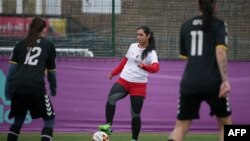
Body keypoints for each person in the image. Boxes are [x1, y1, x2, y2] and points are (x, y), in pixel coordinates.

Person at [168, 0, 232, 141]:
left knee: (181, 127)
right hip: (214, 83)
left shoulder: (185, 26)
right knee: (227, 127)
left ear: (199, 5)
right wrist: (225, 80)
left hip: (190, 82)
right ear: (215, 6)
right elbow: (220, 51)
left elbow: (185, 56)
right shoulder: (219, 24)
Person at [98, 26, 159, 141]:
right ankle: (108, 127)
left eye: (141, 35)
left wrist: (145, 66)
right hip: (124, 81)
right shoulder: (132, 46)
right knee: (111, 99)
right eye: (137, 35)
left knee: (135, 114)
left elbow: (156, 68)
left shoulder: (151, 53)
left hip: (139, 86)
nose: (138, 37)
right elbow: (125, 61)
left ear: (148, 36)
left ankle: (134, 139)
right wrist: (114, 72)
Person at [5, 17, 57, 141]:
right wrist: (53, 88)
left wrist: (7, 92)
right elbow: (52, 73)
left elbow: (10, 72)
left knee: (18, 119)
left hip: (18, 86)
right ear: (44, 29)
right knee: (50, 119)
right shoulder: (48, 45)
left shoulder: (20, 44)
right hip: (35, 86)